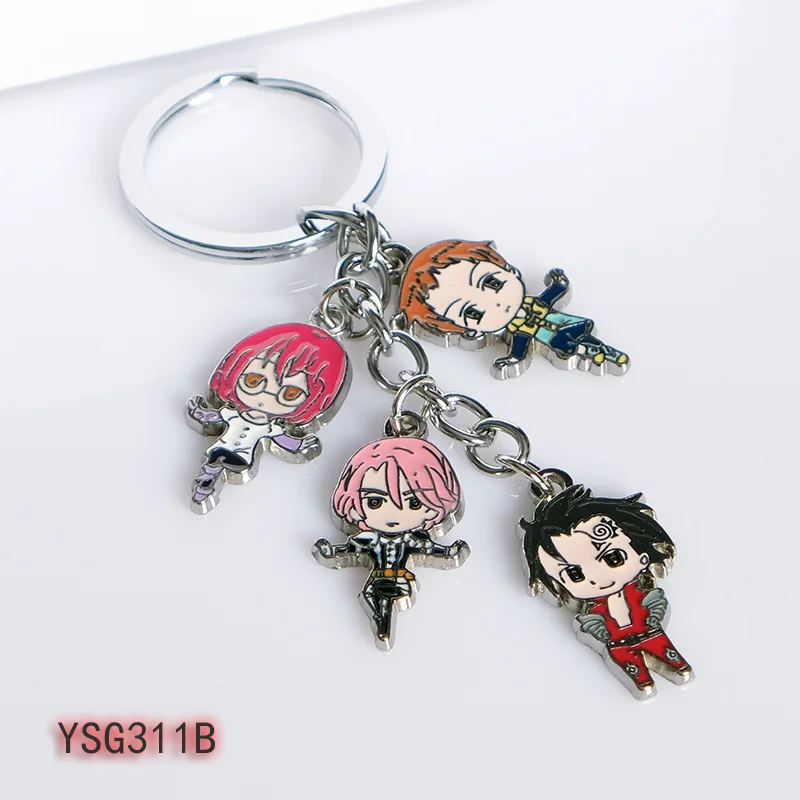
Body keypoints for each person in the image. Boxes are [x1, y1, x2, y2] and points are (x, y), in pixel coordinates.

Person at [520, 485, 693, 699]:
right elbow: (591, 626)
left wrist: (653, 611)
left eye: (613, 558)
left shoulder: (643, 592)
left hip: (653, 635)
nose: (596, 578)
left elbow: (657, 603)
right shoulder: (593, 612)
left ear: (643, 555)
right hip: (618, 647)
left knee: (681, 669)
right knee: (642, 685)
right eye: (575, 575)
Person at [314, 437, 469, 650]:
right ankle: (382, 625)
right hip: (375, 582)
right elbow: (347, 549)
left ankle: (383, 627)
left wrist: (452, 552)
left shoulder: (413, 539)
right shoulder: (367, 539)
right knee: (371, 597)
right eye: (375, 502)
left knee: (386, 600)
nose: (393, 514)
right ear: (354, 504)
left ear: (434, 506)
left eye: (414, 502)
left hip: (400, 581)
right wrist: (327, 552)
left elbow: (433, 549)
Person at [395, 239, 628, 379]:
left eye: (492, 283)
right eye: (472, 313)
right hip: (554, 340)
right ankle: (596, 355)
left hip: (565, 323)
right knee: (571, 348)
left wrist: (559, 284)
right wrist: (512, 361)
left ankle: (604, 353)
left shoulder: (534, 304)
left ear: (510, 270)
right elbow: (520, 349)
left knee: (584, 340)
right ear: (470, 331)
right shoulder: (518, 332)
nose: (493, 303)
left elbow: (553, 295)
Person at [186, 322, 349, 514]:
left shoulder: (272, 428)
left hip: (241, 457)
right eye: (253, 381)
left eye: (290, 394)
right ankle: (203, 490)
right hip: (219, 449)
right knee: (211, 466)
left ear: (313, 400)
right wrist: (198, 411)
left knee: (216, 467)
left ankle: (205, 490)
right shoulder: (232, 414)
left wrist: (302, 446)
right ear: (235, 368)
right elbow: (212, 417)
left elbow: (283, 441)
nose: (265, 397)